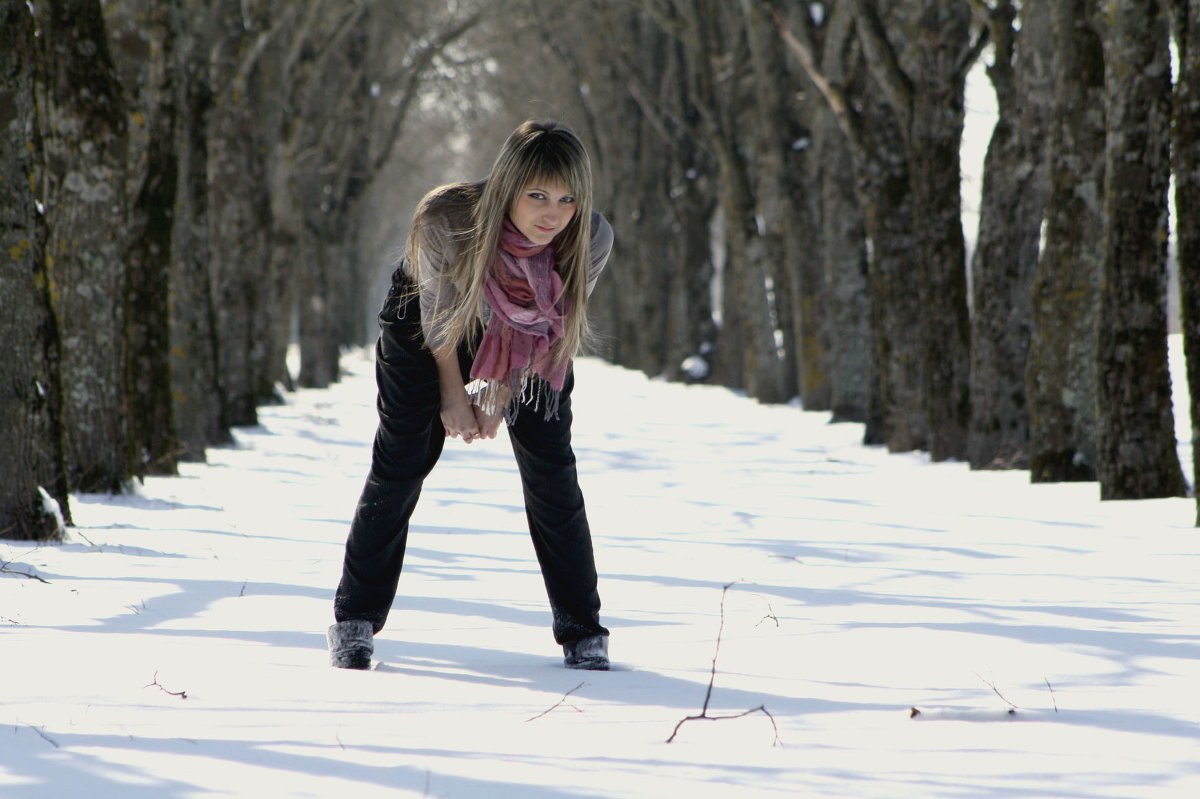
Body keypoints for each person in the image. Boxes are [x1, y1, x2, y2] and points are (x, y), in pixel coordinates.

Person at [327, 120, 613, 671]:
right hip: (426, 325)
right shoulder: (446, 221)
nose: (551, 214)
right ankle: (355, 621)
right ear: (507, 185)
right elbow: (437, 323)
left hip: (530, 347)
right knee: (404, 457)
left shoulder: (589, 238)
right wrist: (456, 399)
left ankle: (583, 632)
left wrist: (499, 396)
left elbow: (552, 326)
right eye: (536, 195)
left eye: (566, 199)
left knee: (552, 468)